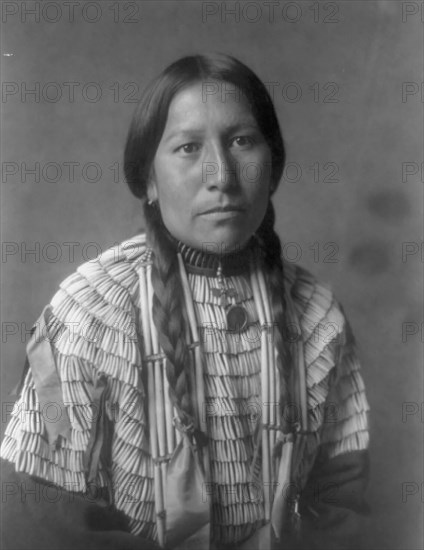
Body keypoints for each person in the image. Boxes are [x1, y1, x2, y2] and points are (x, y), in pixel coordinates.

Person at [0, 54, 370, 550]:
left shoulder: (320, 316)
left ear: (273, 165)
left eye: (241, 140)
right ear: (149, 180)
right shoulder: (85, 311)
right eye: (188, 147)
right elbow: (34, 510)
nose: (221, 174)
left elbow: (343, 504)